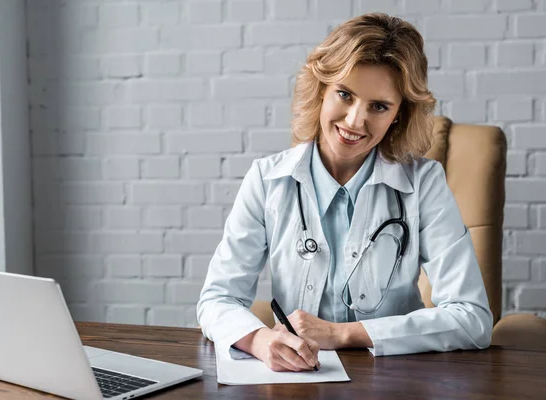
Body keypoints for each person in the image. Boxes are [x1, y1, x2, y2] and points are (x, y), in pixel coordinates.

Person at [197, 12, 493, 372]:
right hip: (298, 378)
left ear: (399, 115)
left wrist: (343, 333)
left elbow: (472, 319)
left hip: (396, 379)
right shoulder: (267, 179)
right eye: (345, 94)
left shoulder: (424, 183)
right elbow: (217, 299)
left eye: (379, 106)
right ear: (321, 89)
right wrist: (260, 340)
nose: (355, 121)